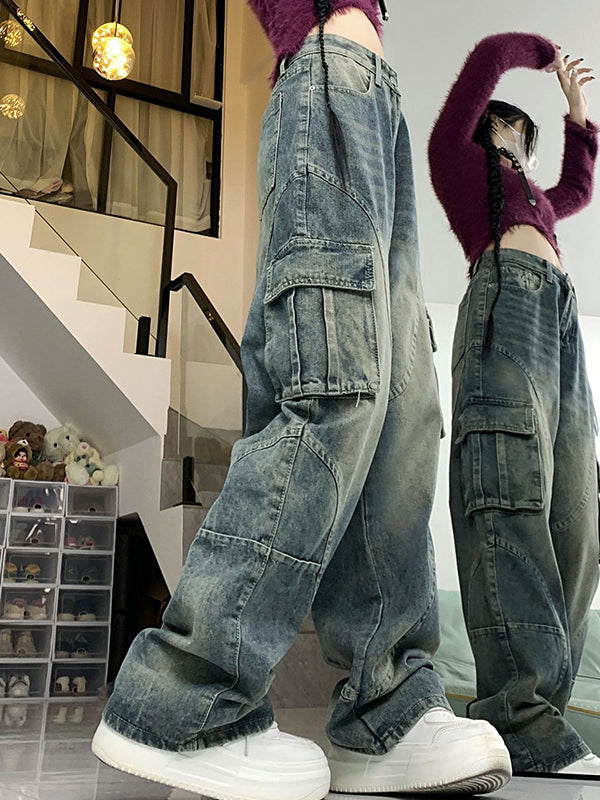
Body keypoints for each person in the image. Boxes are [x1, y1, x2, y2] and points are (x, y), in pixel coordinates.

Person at [90, 4, 512, 798]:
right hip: (328, 79)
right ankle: (186, 696)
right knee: (333, 389)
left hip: (375, 101)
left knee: (403, 420)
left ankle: (388, 711)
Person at [429, 32, 600, 774]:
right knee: (509, 489)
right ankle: (519, 715)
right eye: (510, 130)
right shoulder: (456, 162)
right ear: (484, 127)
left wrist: (576, 112)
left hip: (559, 311)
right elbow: (484, 62)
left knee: (578, 517)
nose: (519, 146)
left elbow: (579, 190)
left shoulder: (540, 206)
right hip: (506, 299)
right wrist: (541, 53)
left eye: (526, 141)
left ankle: (540, 715)